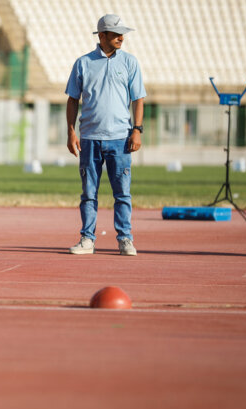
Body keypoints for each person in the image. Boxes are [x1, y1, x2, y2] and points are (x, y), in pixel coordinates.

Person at [65, 14, 146, 256]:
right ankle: (87, 239)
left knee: (122, 193)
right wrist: (71, 132)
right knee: (89, 192)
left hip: (120, 139)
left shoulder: (130, 63)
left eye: (123, 33)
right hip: (89, 138)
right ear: (102, 36)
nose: (122, 37)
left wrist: (137, 131)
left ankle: (125, 239)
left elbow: (138, 99)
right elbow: (72, 100)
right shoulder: (83, 63)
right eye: (116, 33)